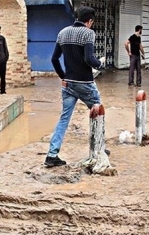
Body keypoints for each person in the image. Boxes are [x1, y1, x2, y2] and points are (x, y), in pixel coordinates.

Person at [44, 6, 106, 168]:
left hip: (68, 83)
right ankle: (100, 149)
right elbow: (89, 59)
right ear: (89, 21)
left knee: (64, 119)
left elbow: (54, 59)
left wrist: (62, 77)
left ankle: (52, 155)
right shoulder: (88, 33)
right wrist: (101, 63)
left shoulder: (62, 33)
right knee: (98, 113)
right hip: (85, 83)